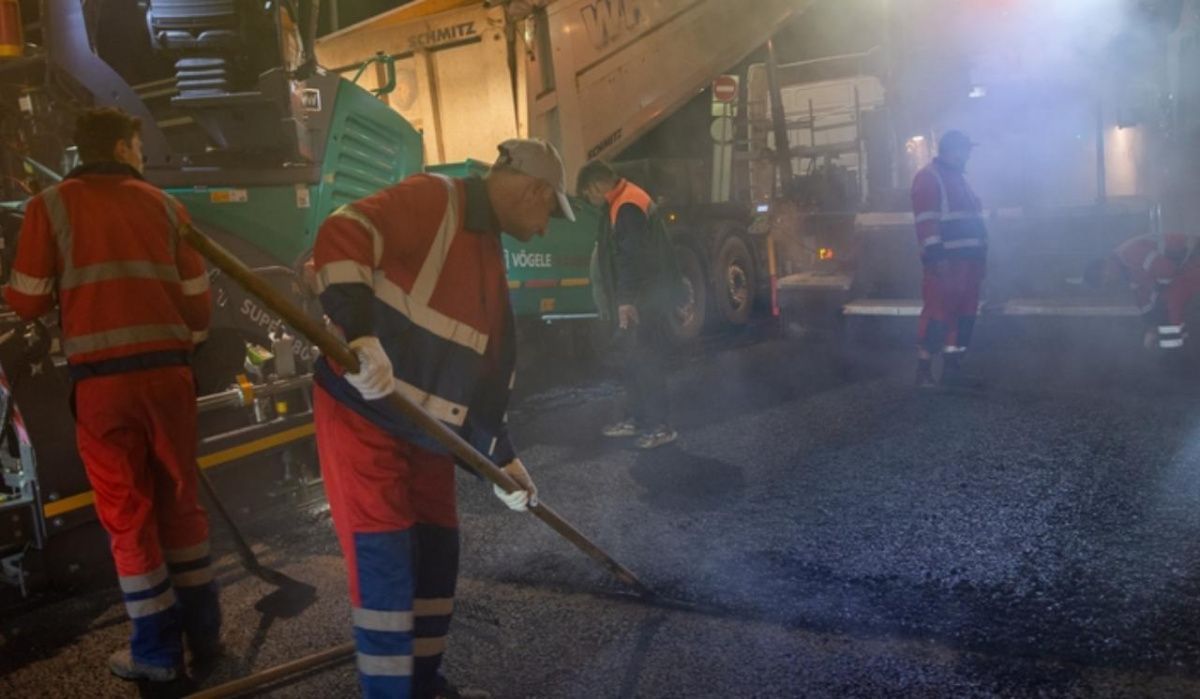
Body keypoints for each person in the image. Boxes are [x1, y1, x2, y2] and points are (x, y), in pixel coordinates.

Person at [312, 138, 573, 698]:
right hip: (364, 412)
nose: (547, 227)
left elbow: (479, 382)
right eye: (549, 210)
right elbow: (343, 232)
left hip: (425, 431)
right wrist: (359, 333)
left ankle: (423, 684)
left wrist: (504, 461)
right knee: (385, 558)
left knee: (436, 548)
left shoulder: (484, 248)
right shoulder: (435, 200)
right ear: (534, 189)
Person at [3, 107, 218, 681]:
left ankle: (155, 655)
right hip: (169, 377)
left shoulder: (50, 206)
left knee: (129, 515)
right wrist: (177, 348)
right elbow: (198, 300)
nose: (143, 156)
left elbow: (26, 301)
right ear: (123, 148)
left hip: (104, 386)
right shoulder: (166, 206)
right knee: (180, 501)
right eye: (139, 146)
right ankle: (206, 637)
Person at [577, 160, 680, 449]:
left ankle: (660, 426)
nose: (589, 200)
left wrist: (625, 301)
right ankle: (637, 418)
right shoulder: (621, 201)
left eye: (588, 194)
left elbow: (630, 258)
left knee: (647, 361)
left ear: (597, 185)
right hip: (642, 296)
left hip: (644, 299)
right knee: (633, 360)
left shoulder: (627, 206)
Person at [911, 130, 988, 388]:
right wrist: (937, 259)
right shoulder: (929, 178)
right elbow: (926, 223)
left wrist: (981, 257)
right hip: (947, 263)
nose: (968, 156)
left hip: (968, 263)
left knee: (964, 317)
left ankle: (952, 370)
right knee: (938, 315)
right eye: (965, 150)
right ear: (951, 151)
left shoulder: (957, 178)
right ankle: (923, 371)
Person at [1086, 232, 1200, 351]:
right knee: (1170, 307)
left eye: (1108, 279)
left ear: (1106, 266)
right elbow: (1144, 299)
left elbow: (1167, 272)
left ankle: (1177, 351)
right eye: (1108, 284)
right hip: (1183, 268)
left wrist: (1159, 300)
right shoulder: (1127, 271)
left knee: (1171, 303)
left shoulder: (1131, 254)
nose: (1112, 282)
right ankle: (1178, 351)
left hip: (1193, 256)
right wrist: (1151, 327)